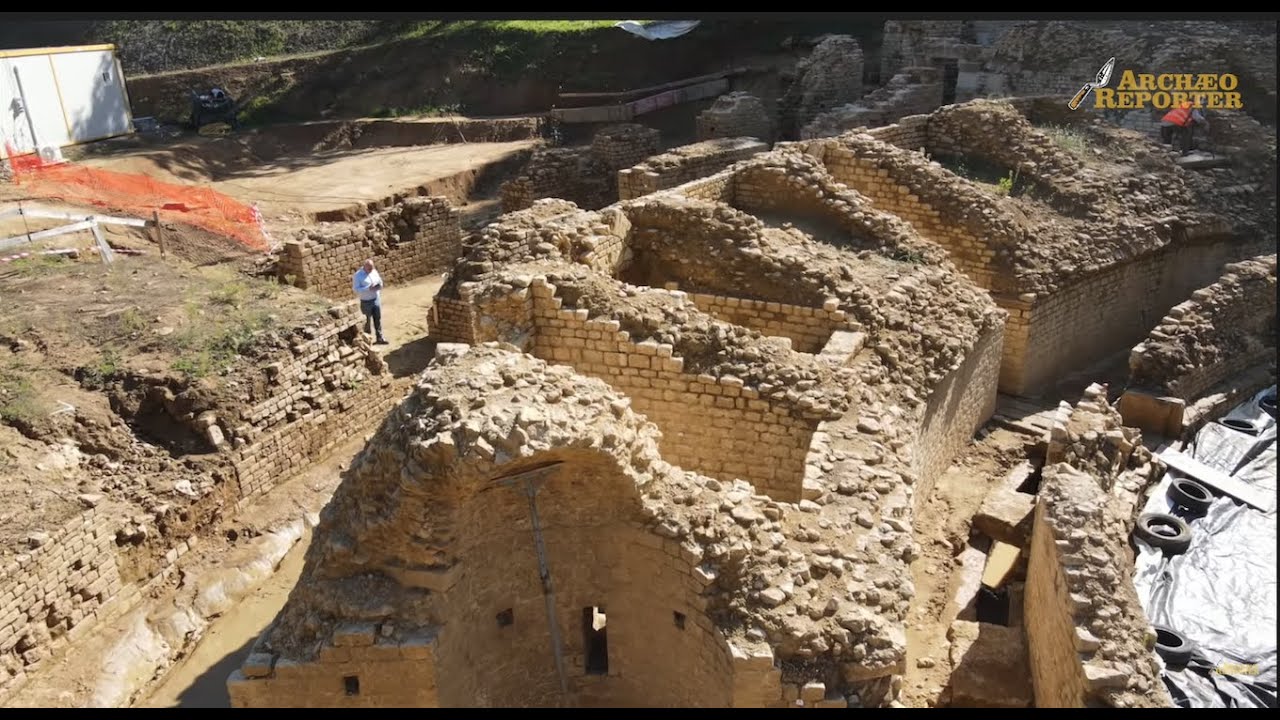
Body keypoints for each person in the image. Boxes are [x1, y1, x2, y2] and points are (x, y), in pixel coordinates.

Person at [352, 258, 388, 345]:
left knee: (377, 319)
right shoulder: (358, 275)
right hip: (366, 302)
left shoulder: (374, 271)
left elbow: (380, 281)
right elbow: (355, 289)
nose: (371, 270)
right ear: (364, 266)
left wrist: (379, 286)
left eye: (372, 268)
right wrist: (368, 288)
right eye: (369, 269)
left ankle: (380, 338)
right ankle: (368, 342)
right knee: (367, 322)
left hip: (376, 299)